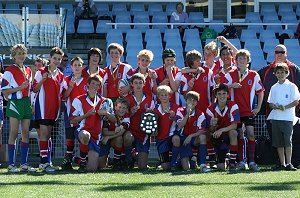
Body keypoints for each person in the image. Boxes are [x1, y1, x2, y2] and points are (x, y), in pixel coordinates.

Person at [257, 44, 300, 169]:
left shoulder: (295, 70)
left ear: (286, 53)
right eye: (277, 52)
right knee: (277, 142)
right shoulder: (266, 72)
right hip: (273, 115)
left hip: (291, 115)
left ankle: (293, 163)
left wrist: (288, 108)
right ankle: (281, 163)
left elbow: (297, 98)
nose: (279, 54)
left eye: (282, 51)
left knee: (291, 141)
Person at [224, 49, 264, 172]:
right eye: (239, 58)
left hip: (248, 110)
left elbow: (261, 91)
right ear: (235, 61)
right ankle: (241, 161)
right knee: (240, 134)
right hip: (235, 111)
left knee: (251, 133)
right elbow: (221, 88)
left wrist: (258, 107)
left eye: (244, 59)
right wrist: (232, 86)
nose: (241, 61)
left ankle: (252, 161)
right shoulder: (230, 74)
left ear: (248, 61)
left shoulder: (254, 74)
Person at [70, 74, 116, 172]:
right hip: (83, 130)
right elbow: (72, 120)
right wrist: (86, 115)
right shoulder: (78, 99)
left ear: (99, 87)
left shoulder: (105, 101)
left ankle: (75, 159)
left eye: (97, 84)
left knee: (93, 168)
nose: (94, 86)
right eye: (93, 84)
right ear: (87, 85)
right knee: (85, 135)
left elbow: (114, 120)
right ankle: (82, 162)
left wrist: (106, 113)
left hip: (97, 135)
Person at [1, 44, 35, 172]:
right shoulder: (9, 70)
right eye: (18, 53)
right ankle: (11, 165)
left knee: (26, 132)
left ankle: (24, 164)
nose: (21, 55)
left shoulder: (28, 70)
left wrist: (31, 104)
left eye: (23, 53)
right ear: (13, 56)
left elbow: (30, 90)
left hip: (26, 103)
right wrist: (20, 88)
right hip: (15, 103)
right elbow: (4, 91)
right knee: (14, 133)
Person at [33, 47, 65, 172]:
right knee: (44, 135)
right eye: (55, 58)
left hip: (54, 109)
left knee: (48, 136)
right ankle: (44, 162)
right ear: (50, 58)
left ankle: (46, 161)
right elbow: (34, 89)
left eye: (59, 59)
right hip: (42, 107)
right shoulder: (40, 71)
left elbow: (62, 94)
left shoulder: (61, 75)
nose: (56, 61)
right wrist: (43, 80)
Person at [267, 63, 300, 171]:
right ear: (275, 74)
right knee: (278, 142)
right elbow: (270, 103)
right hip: (276, 118)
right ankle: (282, 163)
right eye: (278, 72)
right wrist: (274, 106)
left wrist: (285, 107)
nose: (280, 74)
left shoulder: (292, 86)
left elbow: (296, 101)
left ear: (287, 73)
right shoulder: (274, 87)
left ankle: (289, 163)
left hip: (288, 118)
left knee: (287, 141)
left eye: (282, 72)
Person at [61, 56, 88, 170]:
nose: (77, 67)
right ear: (71, 67)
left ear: (83, 67)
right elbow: (64, 97)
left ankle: (82, 161)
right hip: (70, 113)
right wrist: (70, 87)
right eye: (75, 65)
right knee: (70, 137)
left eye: (79, 65)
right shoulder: (67, 80)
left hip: (84, 114)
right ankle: (69, 161)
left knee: (83, 136)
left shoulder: (88, 80)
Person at [171, 91, 209, 172]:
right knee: (186, 168)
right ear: (186, 101)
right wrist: (187, 114)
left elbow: (202, 131)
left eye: (194, 100)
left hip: (192, 139)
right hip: (182, 139)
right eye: (189, 100)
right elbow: (180, 125)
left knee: (202, 137)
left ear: (197, 102)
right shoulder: (180, 110)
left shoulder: (200, 114)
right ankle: (175, 163)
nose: (191, 102)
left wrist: (191, 136)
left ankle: (202, 164)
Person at [206, 84, 240, 172]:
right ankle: (213, 160)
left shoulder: (233, 105)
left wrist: (221, 130)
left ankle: (232, 162)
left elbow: (235, 125)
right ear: (216, 95)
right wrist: (213, 126)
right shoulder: (210, 109)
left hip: (229, 135)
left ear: (228, 95)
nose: (222, 96)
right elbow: (211, 130)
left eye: (224, 93)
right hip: (218, 137)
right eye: (219, 94)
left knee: (233, 132)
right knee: (221, 168)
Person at [125, 73, 155, 170]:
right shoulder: (127, 99)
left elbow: (154, 117)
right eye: (136, 83)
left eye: (140, 83)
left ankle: (135, 155)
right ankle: (129, 159)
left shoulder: (150, 99)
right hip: (131, 130)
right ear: (132, 84)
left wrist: (150, 114)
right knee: (128, 138)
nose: (138, 85)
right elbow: (121, 116)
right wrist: (130, 112)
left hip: (144, 133)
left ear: (144, 84)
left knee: (142, 167)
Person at [98, 97, 130, 170]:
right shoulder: (110, 114)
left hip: (114, 139)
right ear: (115, 107)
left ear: (126, 109)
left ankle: (117, 161)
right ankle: (76, 159)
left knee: (119, 138)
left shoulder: (126, 118)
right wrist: (111, 134)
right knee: (100, 165)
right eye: (120, 107)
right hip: (106, 139)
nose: (121, 109)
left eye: (124, 108)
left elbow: (120, 133)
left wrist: (109, 137)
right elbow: (105, 132)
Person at [153, 85, 179, 170]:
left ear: (169, 96)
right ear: (158, 97)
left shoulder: (176, 108)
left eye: (166, 95)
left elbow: (182, 123)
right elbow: (153, 126)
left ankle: (174, 163)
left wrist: (175, 117)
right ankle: (174, 163)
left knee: (176, 139)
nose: (164, 97)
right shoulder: (155, 109)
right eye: (161, 95)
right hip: (161, 138)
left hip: (172, 136)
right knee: (165, 167)